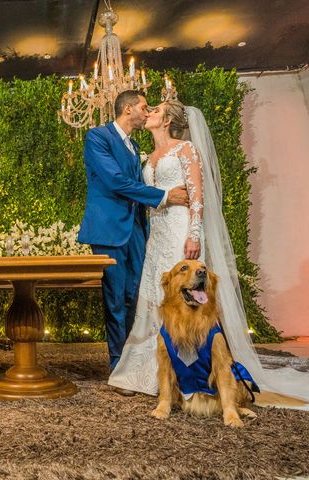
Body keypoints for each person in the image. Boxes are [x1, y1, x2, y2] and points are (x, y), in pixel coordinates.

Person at [108, 99, 309, 409]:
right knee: (154, 298)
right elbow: (149, 197)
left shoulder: (185, 150)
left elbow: (198, 198)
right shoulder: (146, 158)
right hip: (157, 233)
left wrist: (194, 235)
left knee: (184, 299)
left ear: (167, 121)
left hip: (179, 230)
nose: (149, 113)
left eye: (156, 110)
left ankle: (194, 370)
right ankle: (149, 372)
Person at [77, 90, 189, 394]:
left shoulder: (135, 145)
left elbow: (137, 184)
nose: (146, 110)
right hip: (109, 230)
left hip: (137, 231)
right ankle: (117, 365)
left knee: (133, 297)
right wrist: (164, 197)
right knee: (114, 298)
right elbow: (114, 181)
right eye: (143, 106)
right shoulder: (97, 137)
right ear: (128, 110)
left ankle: (134, 363)